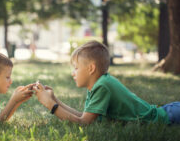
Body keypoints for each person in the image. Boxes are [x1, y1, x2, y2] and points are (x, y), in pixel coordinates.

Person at [33, 41, 180, 125]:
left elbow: (84, 123)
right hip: (169, 111)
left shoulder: (103, 86)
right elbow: (83, 116)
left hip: (168, 117)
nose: (73, 72)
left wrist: (50, 105)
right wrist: (54, 100)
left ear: (91, 68)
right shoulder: (98, 85)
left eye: (76, 68)